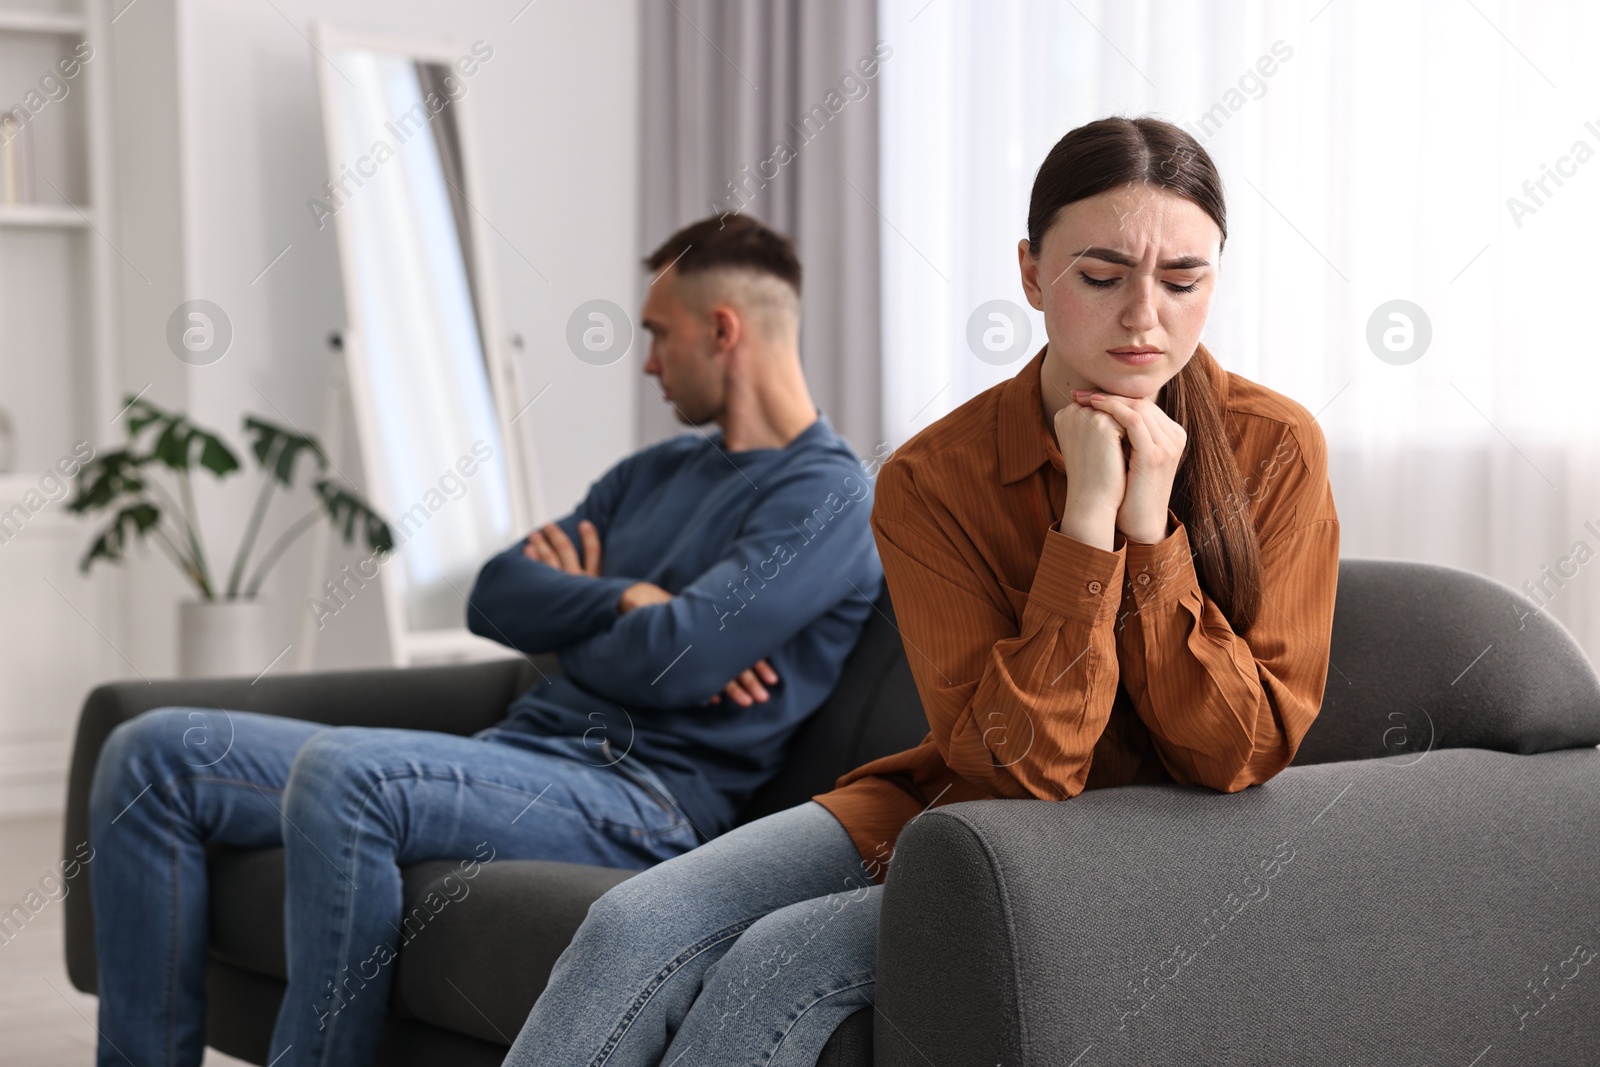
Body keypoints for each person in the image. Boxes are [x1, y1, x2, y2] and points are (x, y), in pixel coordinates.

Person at [502, 115, 1342, 1066]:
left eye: (1184, 281)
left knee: (776, 962)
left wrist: (1137, 535)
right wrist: (1088, 516)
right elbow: (1007, 760)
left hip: (1144, 841)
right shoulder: (934, 475)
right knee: (630, 923)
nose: (1145, 317)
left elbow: (1236, 750)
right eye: (1102, 277)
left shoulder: (1274, 448)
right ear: (1031, 274)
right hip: (956, 807)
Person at [85, 213, 884, 1067]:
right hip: (519, 756)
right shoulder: (648, 474)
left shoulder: (829, 497)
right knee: (150, 755)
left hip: (642, 798)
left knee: (347, 779)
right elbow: (495, 595)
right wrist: (629, 600)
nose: (647, 361)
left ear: (723, 328)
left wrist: (601, 618)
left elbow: (677, 656)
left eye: (657, 334)